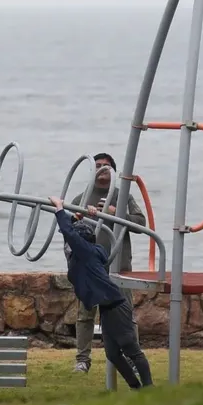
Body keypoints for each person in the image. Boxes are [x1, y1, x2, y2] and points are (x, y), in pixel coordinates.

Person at [49, 194, 153, 389]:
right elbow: (68, 234)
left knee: (130, 347)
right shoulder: (82, 253)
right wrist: (76, 218)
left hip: (115, 305)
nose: (71, 241)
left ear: (81, 242)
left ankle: (148, 388)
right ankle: (136, 387)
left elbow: (69, 233)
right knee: (112, 354)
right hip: (107, 308)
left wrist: (59, 208)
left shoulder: (86, 253)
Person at [69, 152, 148, 373]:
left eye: (106, 166)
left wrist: (116, 212)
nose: (102, 169)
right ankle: (82, 360)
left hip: (118, 266)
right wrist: (83, 216)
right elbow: (69, 229)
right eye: (98, 166)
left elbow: (141, 223)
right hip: (89, 268)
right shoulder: (81, 199)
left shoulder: (123, 197)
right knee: (85, 315)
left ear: (113, 172)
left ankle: (133, 357)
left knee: (125, 314)